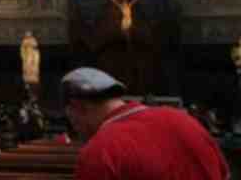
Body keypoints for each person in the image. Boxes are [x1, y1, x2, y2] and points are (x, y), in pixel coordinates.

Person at [61, 67, 229, 180]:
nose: (77, 131)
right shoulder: (185, 121)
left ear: (79, 107)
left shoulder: (99, 151)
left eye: (74, 123)